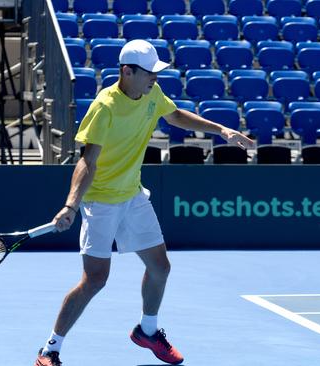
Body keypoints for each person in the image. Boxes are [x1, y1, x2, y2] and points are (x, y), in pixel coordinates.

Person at [35, 39, 255, 366]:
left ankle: (147, 331)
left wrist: (220, 130)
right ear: (127, 71)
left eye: (156, 72)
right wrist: (70, 206)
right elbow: (87, 162)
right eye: (149, 72)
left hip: (133, 195)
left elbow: (176, 115)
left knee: (160, 267)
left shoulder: (151, 92)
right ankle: (50, 348)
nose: (154, 77)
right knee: (95, 279)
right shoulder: (104, 107)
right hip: (101, 202)